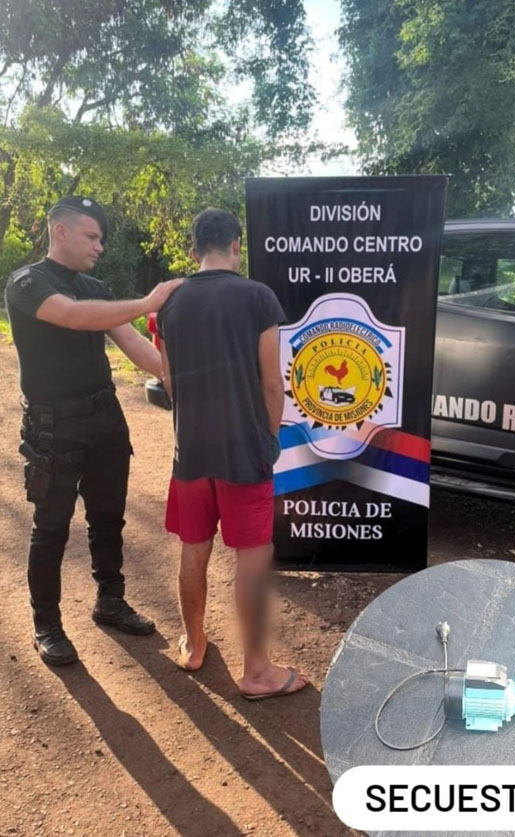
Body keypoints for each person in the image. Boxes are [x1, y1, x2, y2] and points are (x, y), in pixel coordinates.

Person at [5, 195, 183, 667]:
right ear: (60, 231)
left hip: (104, 417)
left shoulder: (97, 288)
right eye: (91, 236)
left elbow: (133, 344)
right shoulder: (27, 283)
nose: (99, 246)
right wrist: (147, 302)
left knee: (108, 515)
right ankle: (47, 624)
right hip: (53, 426)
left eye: (101, 239)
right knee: (51, 527)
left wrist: (182, 378)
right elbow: (71, 315)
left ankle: (110, 600)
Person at [157, 208, 307, 700]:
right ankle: (256, 671)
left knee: (193, 548)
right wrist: (269, 439)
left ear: (194, 250)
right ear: (236, 246)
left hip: (190, 452)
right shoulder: (258, 297)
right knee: (253, 557)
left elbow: (170, 381)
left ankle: (194, 646)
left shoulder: (170, 302)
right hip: (244, 452)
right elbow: (272, 383)